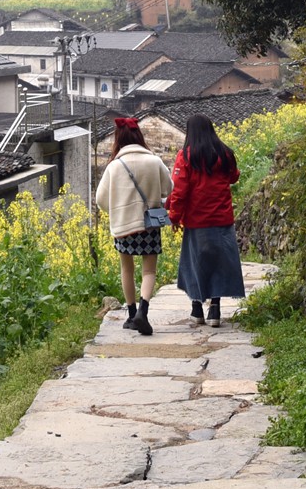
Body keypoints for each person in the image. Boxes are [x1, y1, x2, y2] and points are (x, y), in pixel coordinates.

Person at [94, 116, 171, 335]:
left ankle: (130, 314)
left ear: (118, 139)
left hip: (124, 226)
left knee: (126, 268)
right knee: (149, 270)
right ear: (139, 137)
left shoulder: (114, 166)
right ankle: (143, 313)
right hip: (149, 224)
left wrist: (118, 210)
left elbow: (100, 199)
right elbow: (169, 189)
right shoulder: (154, 161)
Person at [168, 113, 245, 327]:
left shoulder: (186, 156)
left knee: (194, 263)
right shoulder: (225, 153)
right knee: (218, 263)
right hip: (222, 220)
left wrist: (174, 217)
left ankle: (196, 309)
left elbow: (179, 191)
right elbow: (234, 177)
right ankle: (215, 311)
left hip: (196, 221)